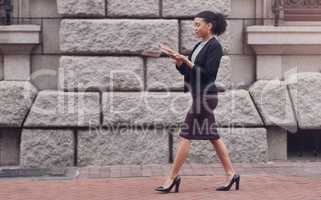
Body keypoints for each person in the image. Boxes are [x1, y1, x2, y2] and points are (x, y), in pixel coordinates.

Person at [155, 10, 240, 193]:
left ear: (209, 26)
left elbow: (208, 75)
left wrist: (187, 60)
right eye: (194, 25)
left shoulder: (215, 46)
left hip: (206, 98)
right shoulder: (199, 46)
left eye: (197, 24)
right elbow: (190, 74)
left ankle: (172, 178)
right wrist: (179, 62)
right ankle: (231, 174)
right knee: (214, 137)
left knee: (185, 135)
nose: (195, 28)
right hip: (199, 96)